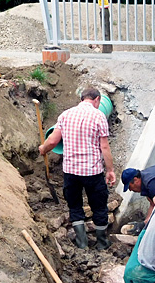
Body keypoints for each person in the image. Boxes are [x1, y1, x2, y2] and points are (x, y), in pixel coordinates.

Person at [39, 88, 116, 249]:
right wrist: (110, 170)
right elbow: (105, 147)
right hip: (92, 172)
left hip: (71, 172)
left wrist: (43, 149)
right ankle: (102, 243)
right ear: (96, 100)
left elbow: (52, 141)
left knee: (75, 206)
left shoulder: (65, 115)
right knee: (99, 206)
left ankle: (82, 244)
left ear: (82, 99)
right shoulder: (99, 116)